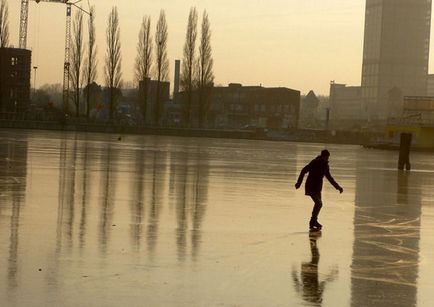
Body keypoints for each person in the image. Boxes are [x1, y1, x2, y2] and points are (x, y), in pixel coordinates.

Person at [295, 149, 343, 230]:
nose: (327, 159)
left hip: (317, 188)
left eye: (328, 157)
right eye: (327, 157)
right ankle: (313, 221)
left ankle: (314, 221)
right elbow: (304, 170)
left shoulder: (325, 165)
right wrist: (299, 183)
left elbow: (329, 178)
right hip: (311, 186)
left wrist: (338, 187)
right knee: (319, 203)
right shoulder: (315, 162)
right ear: (323, 156)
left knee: (319, 204)